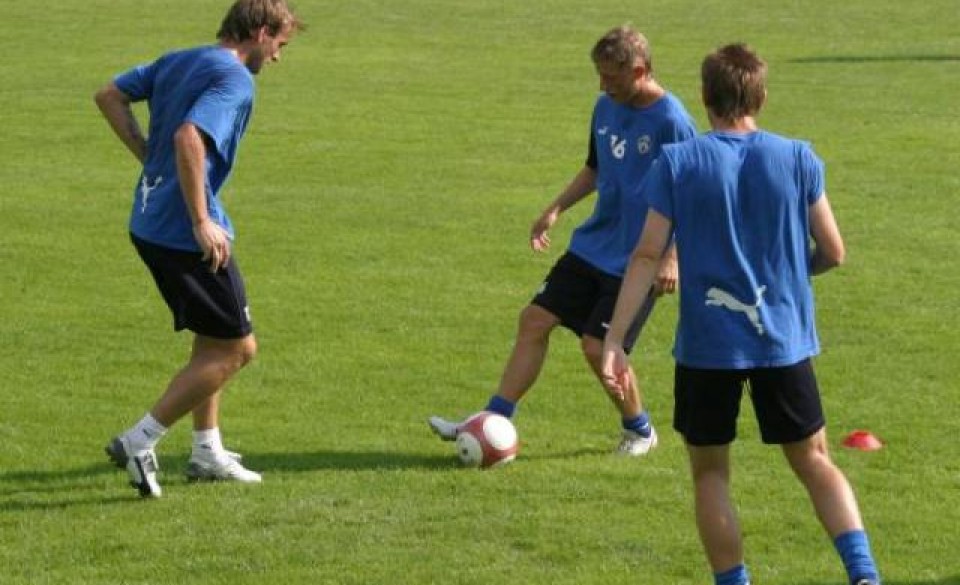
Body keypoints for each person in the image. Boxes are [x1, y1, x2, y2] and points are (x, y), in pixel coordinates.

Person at [601, 44, 881, 585]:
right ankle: (863, 574)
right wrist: (792, 275)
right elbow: (834, 251)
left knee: (710, 474)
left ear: (705, 97)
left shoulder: (679, 162)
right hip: (783, 340)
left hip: (709, 346)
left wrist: (615, 339)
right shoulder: (798, 157)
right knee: (815, 460)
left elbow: (646, 255)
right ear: (762, 97)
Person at [429, 25, 697, 455]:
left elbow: (694, 195)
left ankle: (640, 430)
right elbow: (595, 168)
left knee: (597, 346)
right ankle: (490, 422)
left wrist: (673, 258)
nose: (603, 85)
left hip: (639, 259)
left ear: (640, 70)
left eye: (611, 77)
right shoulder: (605, 107)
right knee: (534, 320)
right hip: (594, 245)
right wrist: (555, 209)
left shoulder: (673, 122)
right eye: (600, 75)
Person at [94, 0, 304, 498]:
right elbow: (190, 137)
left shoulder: (179, 59)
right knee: (237, 348)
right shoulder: (235, 78)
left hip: (150, 221)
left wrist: (149, 157)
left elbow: (109, 96)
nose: (277, 57)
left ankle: (206, 451)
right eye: (279, 44)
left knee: (214, 338)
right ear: (260, 32)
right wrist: (202, 221)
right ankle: (139, 440)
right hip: (181, 233)